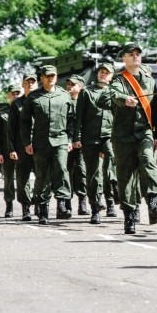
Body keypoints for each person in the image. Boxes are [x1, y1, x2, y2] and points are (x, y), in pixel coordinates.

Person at [97, 43, 157, 234]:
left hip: (144, 132)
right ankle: (130, 215)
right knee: (125, 176)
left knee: (148, 161)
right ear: (124, 58)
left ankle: (153, 202)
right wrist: (124, 99)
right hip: (123, 134)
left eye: (138, 54)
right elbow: (113, 93)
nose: (135, 56)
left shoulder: (149, 81)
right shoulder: (119, 79)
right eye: (131, 54)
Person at [21, 64, 75, 224]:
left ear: (56, 77)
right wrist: (27, 142)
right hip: (41, 142)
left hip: (61, 140)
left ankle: (62, 203)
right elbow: (25, 122)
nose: (50, 78)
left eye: (53, 76)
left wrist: (70, 139)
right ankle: (43, 209)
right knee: (42, 174)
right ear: (42, 78)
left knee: (61, 169)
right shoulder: (33, 97)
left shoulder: (65, 95)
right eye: (47, 76)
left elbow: (72, 119)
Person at [74, 62, 119, 224]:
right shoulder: (86, 92)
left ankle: (113, 194)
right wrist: (76, 137)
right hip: (90, 137)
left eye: (107, 72)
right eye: (101, 71)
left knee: (113, 161)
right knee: (93, 174)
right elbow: (79, 116)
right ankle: (95, 208)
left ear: (111, 76)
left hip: (110, 136)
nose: (103, 74)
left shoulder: (115, 93)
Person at [8, 73, 39, 221]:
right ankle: (26, 208)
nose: (30, 84)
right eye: (27, 82)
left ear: (37, 84)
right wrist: (12, 149)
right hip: (22, 146)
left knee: (42, 177)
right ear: (23, 84)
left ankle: (39, 203)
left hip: (40, 145)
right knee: (22, 178)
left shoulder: (42, 99)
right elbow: (11, 128)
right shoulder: (17, 104)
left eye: (33, 82)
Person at [0, 84, 20, 217]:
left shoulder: (26, 110)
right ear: (8, 95)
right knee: (8, 179)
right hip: (6, 151)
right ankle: (9, 206)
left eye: (17, 93)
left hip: (23, 150)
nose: (15, 96)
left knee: (24, 178)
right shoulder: (1, 114)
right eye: (13, 93)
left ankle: (28, 206)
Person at [65, 75, 89, 215]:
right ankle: (66, 204)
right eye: (68, 84)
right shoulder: (63, 101)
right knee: (66, 172)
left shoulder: (85, 103)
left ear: (80, 87)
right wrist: (68, 139)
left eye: (72, 84)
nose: (69, 86)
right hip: (66, 142)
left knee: (82, 172)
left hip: (81, 143)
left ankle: (82, 203)